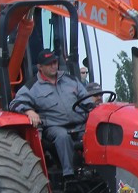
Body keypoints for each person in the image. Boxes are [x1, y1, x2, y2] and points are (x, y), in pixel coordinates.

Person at [9, 49, 94, 177]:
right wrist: (29, 111)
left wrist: (93, 110)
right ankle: (69, 175)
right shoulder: (32, 86)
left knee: (96, 133)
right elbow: (15, 103)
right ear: (40, 67)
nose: (54, 66)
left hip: (80, 124)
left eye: (55, 62)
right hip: (55, 126)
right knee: (63, 137)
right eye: (49, 64)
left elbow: (87, 100)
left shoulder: (70, 80)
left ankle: (95, 170)